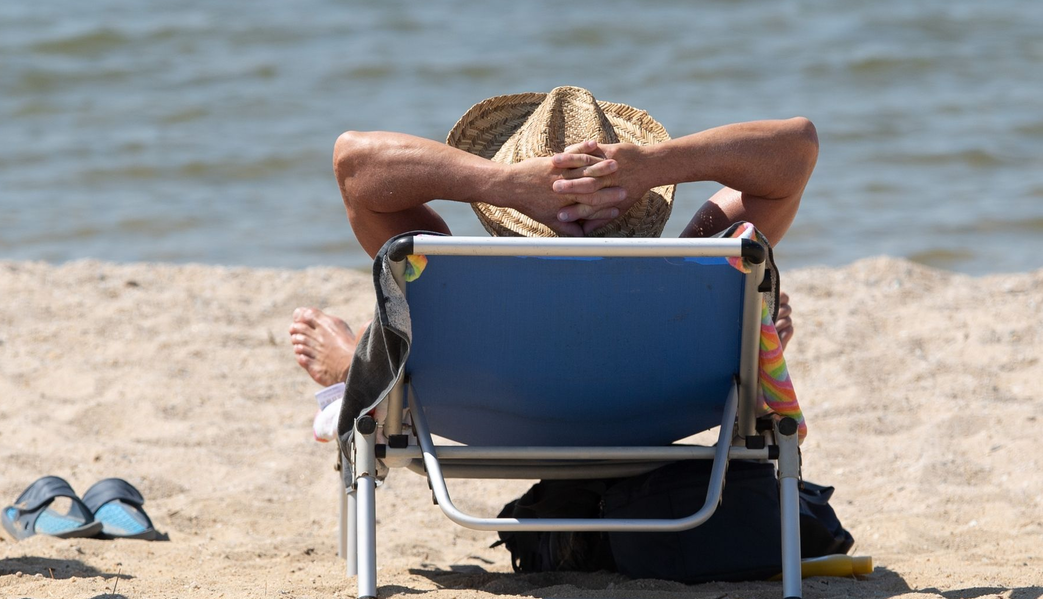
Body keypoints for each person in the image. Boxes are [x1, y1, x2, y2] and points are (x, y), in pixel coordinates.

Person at [290, 86, 815, 390]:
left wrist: (500, 183)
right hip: (657, 416)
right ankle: (743, 352)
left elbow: (353, 163)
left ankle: (351, 368)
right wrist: (658, 165)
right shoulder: (699, 262)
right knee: (739, 300)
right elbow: (798, 149)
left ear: (508, 212)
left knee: (413, 304)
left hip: (489, 416)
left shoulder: (450, 274)